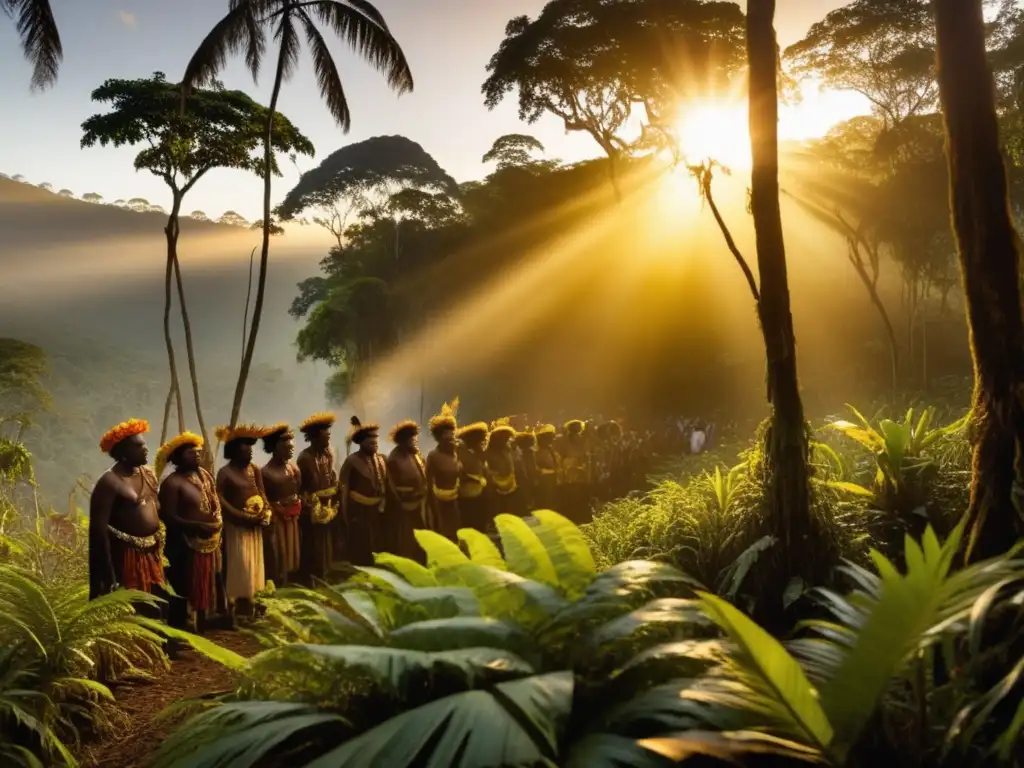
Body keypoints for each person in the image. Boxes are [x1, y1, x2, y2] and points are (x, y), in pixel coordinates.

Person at [89, 419, 165, 608]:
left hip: (152, 552)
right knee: (132, 606)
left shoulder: (148, 475)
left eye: (144, 444)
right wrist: (108, 572)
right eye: (138, 446)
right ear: (123, 454)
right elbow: (98, 530)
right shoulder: (109, 482)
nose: (146, 449)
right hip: (124, 555)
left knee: (156, 601)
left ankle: (156, 637)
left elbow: (157, 507)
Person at [156, 431, 222, 632]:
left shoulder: (205, 476)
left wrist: (215, 525)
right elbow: (168, 516)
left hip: (210, 541)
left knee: (210, 581)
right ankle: (181, 627)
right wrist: (195, 526)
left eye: (198, 453)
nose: (196, 456)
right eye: (189, 454)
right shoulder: (171, 483)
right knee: (184, 584)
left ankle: (205, 620)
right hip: (182, 545)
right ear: (176, 458)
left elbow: (214, 504)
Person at [215, 423, 271, 621]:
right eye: (244, 448)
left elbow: (262, 492)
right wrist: (240, 515)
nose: (249, 452)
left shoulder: (254, 470)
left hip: (254, 527)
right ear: (233, 451)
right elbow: (219, 499)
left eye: (251, 448)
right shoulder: (224, 473)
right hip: (236, 528)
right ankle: (238, 608)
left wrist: (265, 511)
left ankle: (255, 604)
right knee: (241, 567)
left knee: (255, 566)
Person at [339, 416, 387, 567]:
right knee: (361, 546)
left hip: (378, 511)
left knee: (377, 544)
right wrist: (345, 516)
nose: (374, 444)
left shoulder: (381, 459)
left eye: (376, 441)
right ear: (361, 442)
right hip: (358, 513)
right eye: (370, 441)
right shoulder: (351, 461)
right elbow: (343, 490)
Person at [296, 412, 338, 581]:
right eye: (325, 433)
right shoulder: (304, 458)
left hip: (327, 505)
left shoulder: (327, 454)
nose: (328, 436)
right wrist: (310, 506)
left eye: (329, 433)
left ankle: (325, 574)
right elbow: (300, 487)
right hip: (311, 509)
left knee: (326, 542)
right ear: (315, 437)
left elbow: (331, 477)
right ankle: (311, 578)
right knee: (313, 545)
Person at [261, 423, 302, 585]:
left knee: (293, 549)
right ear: (275, 448)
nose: (290, 448)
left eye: (291, 445)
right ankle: (278, 580)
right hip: (276, 518)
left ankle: (292, 578)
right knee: (279, 550)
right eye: (286, 445)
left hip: (293, 515)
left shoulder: (293, 468)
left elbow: (298, 488)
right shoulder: (265, 472)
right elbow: (264, 497)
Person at [385, 419, 427, 561]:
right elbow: (390, 484)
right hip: (403, 504)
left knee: (421, 532)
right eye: (411, 438)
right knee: (405, 535)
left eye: (415, 437)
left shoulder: (416, 454)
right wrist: (400, 499)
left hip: (419, 502)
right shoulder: (394, 458)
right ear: (403, 440)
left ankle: (420, 558)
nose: (414, 440)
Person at [426, 401, 461, 540]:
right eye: (447, 434)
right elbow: (428, 483)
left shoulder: (455, 453)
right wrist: (432, 507)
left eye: (452, 433)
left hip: (455, 502)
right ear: (439, 437)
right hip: (439, 504)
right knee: (444, 534)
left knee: (455, 532)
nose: (451, 436)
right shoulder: (433, 456)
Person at [456, 420, 490, 533]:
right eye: (481, 441)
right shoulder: (462, 455)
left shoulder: (478, 455)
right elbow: (461, 475)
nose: (483, 443)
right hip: (468, 500)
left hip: (480, 498)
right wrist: (476, 479)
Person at [559, 419, 592, 524]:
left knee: (578, 497)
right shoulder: (566, 441)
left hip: (576, 474)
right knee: (575, 497)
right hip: (572, 474)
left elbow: (585, 457)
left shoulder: (580, 440)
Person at [486, 418, 518, 518]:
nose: (506, 440)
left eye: (507, 438)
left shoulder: (507, 449)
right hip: (496, 487)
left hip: (510, 484)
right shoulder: (489, 452)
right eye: (503, 438)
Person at [533, 424, 561, 511]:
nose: (553, 440)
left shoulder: (549, 449)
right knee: (547, 499)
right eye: (550, 438)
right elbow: (538, 467)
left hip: (551, 478)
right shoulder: (539, 452)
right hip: (545, 480)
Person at [513, 429, 537, 514]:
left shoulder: (519, 453)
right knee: (529, 494)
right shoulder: (528, 452)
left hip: (525, 477)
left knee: (527, 495)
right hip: (526, 477)